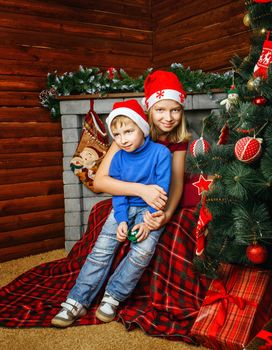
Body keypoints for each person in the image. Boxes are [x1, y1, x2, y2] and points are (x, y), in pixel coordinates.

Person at [51, 99, 172, 327]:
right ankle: (76, 300)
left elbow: (162, 192)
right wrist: (122, 220)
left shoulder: (161, 153)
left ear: (142, 128)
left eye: (128, 131)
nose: (123, 139)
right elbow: (118, 192)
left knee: (142, 252)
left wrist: (147, 224)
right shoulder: (118, 157)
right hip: (124, 206)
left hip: (152, 208)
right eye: (116, 135)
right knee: (101, 250)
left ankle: (113, 296)